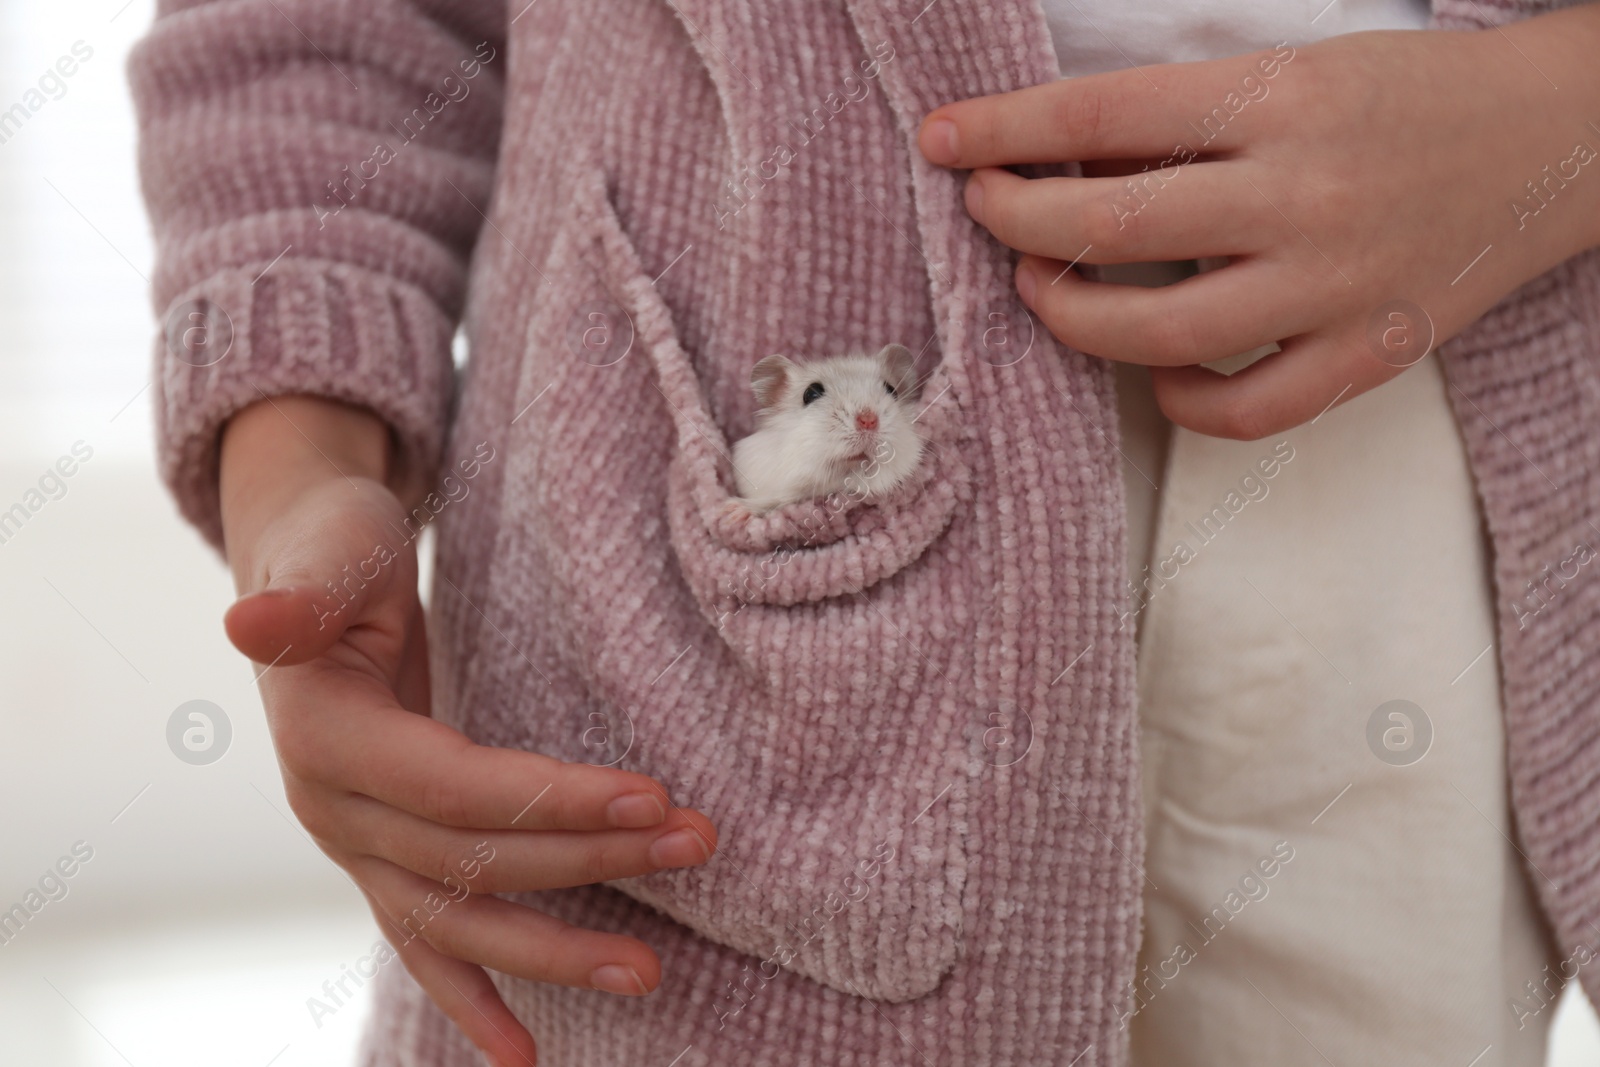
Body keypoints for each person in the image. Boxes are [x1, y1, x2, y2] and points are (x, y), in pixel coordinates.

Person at [131, 1, 1600, 1064]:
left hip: (1434, 443)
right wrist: (304, 458)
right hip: (676, 623)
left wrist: (1564, 119)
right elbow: (331, 31)